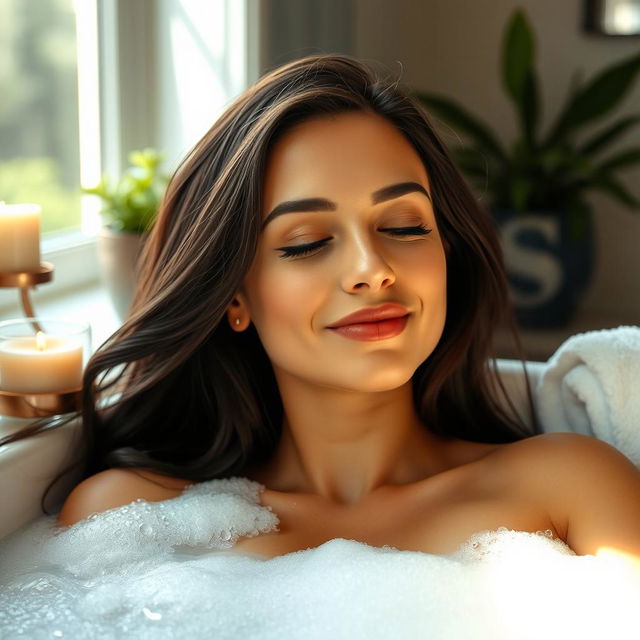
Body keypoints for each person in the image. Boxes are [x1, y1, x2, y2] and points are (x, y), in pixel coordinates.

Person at [52, 54, 639, 564]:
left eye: (404, 226)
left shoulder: (571, 486)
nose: (370, 268)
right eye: (306, 242)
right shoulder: (132, 520)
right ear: (234, 296)